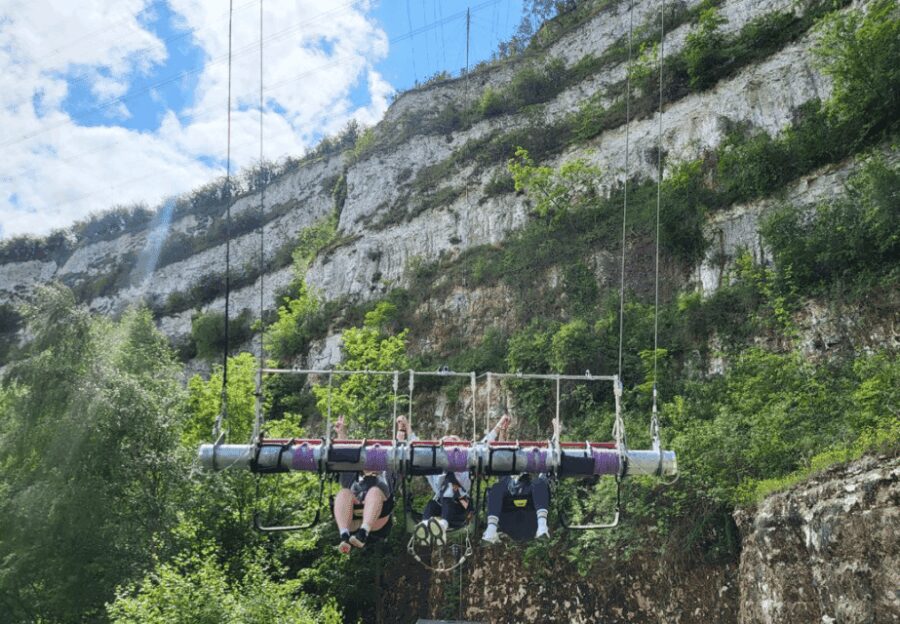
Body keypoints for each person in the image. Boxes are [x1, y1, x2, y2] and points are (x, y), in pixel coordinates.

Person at [397, 415, 472, 548]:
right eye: (445, 442)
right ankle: (425, 526)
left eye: (453, 441)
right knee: (432, 503)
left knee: (449, 485)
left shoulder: (465, 463)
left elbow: (484, 449)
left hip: (460, 508)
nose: (449, 442)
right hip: (442, 506)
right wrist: (407, 427)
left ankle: (443, 524)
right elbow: (419, 450)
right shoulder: (435, 470)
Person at [332, 415, 400, 554]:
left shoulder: (387, 474)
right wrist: (341, 433)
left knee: (374, 491)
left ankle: (363, 533)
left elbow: (400, 455)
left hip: (378, 519)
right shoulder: (353, 476)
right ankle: (344, 536)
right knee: (344, 492)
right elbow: (344, 455)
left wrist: (401, 435)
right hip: (353, 517)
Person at [481, 413, 552, 544]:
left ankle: (542, 526)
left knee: (540, 482)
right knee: (496, 488)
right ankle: (491, 529)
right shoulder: (507, 479)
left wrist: (554, 436)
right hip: (510, 519)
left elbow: (549, 464)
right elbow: (501, 456)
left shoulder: (531, 481)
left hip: (529, 520)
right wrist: (502, 431)